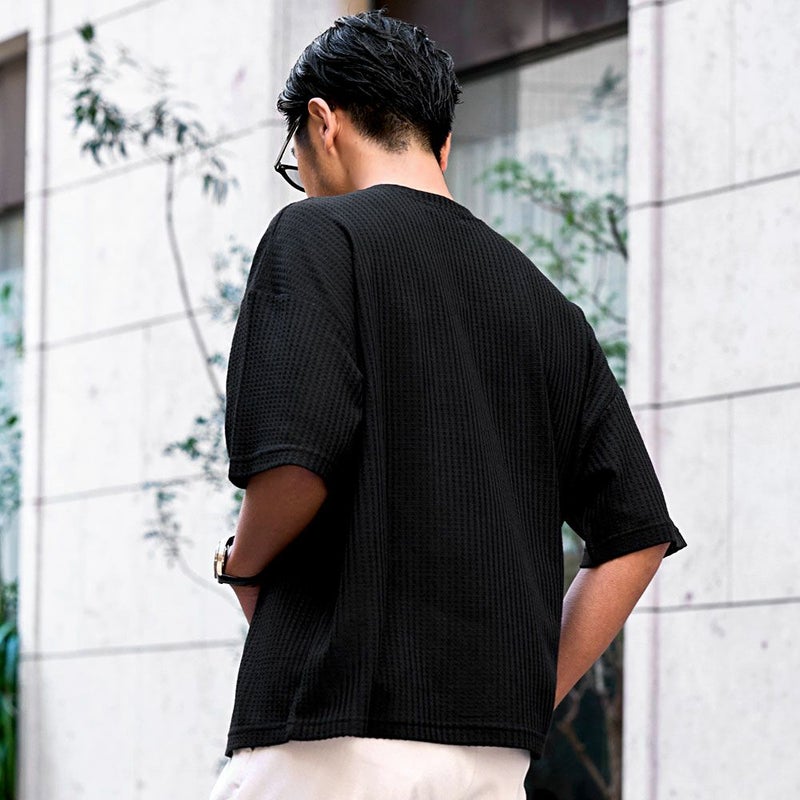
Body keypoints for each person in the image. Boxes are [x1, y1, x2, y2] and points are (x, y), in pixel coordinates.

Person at [208, 9, 687, 800]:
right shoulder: (544, 304)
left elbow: (294, 467)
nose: (303, 179)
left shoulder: (317, 235)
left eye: (295, 158)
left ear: (322, 123)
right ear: (444, 142)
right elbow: (635, 536)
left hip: (335, 740)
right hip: (491, 764)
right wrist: (525, 693)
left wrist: (242, 563)